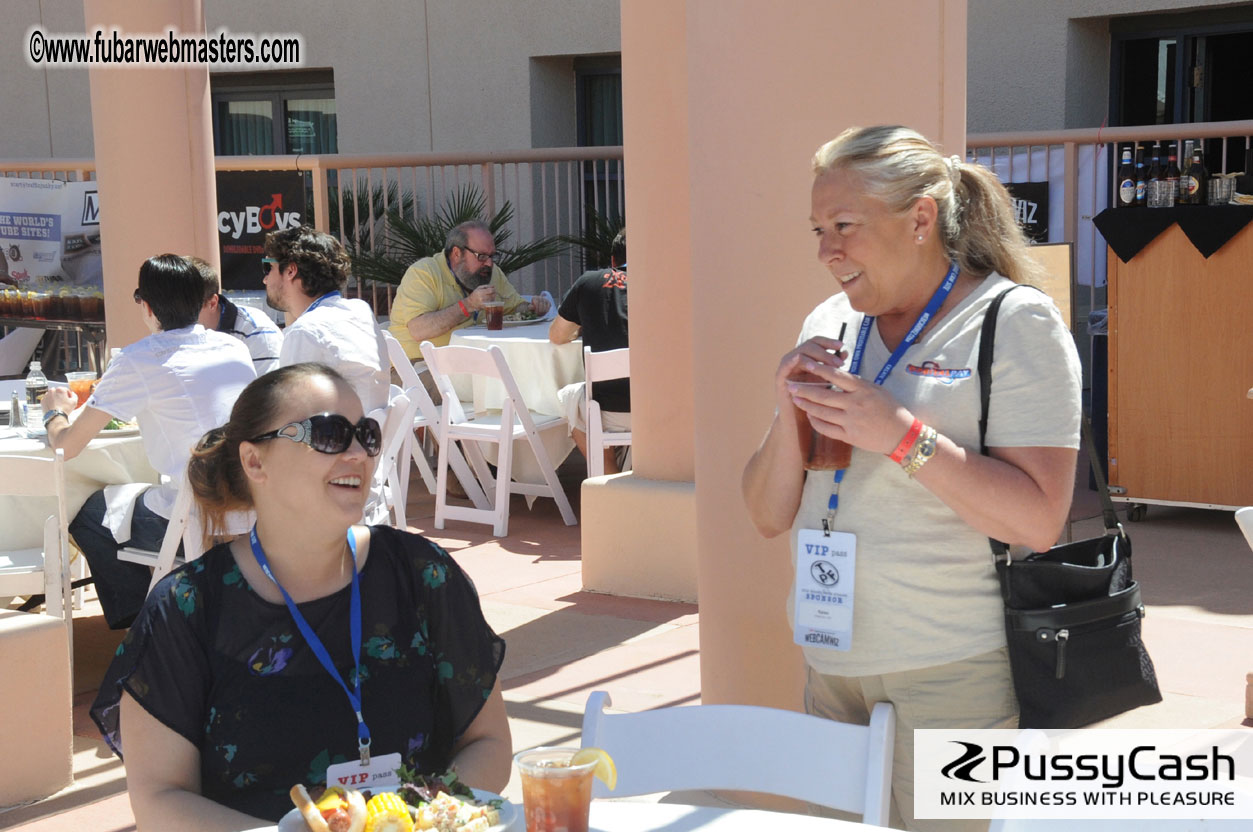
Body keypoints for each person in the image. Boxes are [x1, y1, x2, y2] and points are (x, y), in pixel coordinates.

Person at [741, 126, 1081, 832]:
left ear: (920, 218)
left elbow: (1038, 520)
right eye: (816, 230)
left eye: (843, 226)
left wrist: (901, 437)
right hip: (831, 659)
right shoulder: (832, 321)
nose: (825, 250)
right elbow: (766, 513)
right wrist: (786, 407)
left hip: (951, 665)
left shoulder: (1012, 322)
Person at [90, 363, 512, 827]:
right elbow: (159, 797)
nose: (358, 453)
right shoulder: (188, 608)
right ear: (255, 462)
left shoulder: (422, 575)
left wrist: (428, 820)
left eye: (366, 434)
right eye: (329, 434)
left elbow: (488, 742)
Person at [41, 254, 256, 630]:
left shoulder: (140, 359)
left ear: (147, 304)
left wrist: (53, 412)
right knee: (125, 498)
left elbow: (67, 446)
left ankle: (148, 620)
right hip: (256, 508)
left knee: (86, 510)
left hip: (199, 516)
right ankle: (170, 609)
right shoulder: (232, 346)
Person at [265, 226, 390, 415]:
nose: (265, 279)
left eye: (269, 267)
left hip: (335, 440)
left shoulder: (304, 331)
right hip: (369, 436)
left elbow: (289, 413)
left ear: (291, 270)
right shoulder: (360, 310)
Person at [388, 220, 551, 364]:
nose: (489, 263)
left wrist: (532, 308)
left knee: (520, 372)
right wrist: (468, 305)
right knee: (495, 384)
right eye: (481, 256)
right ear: (457, 254)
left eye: (492, 256)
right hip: (416, 366)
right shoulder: (424, 273)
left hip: (467, 362)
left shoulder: (492, 273)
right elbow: (419, 330)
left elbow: (515, 307)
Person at [550, 228, 630, 474]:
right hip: (663, 409)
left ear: (613, 260)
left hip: (606, 411)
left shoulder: (588, 283)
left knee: (571, 398)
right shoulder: (668, 283)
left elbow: (558, 335)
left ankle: (609, 479)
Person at [187, 255, 284, 375]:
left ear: (212, 303)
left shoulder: (257, 330)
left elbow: (269, 390)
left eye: (187, 306)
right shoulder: (168, 324)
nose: (178, 313)